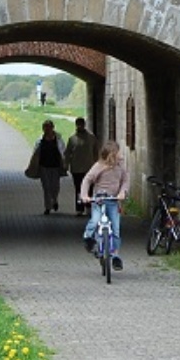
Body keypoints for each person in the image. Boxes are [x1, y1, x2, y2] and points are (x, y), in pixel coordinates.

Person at [80, 139, 129, 272]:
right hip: (99, 201)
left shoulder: (121, 166)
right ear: (111, 154)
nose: (120, 155)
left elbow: (125, 180)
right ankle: (88, 238)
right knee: (95, 220)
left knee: (116, 229)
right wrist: (85, 195)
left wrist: (122, 192)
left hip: (113, 201)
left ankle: (115, 256)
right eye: (117, 153)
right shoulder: (98, 166)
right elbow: (87, 180)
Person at [64, 116, 99, 216]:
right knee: (79, 189)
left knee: (89, 188)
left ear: (84, 125)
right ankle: (79, 208)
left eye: (81, 124)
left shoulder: (91, 138)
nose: (80, 126)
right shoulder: (72, 139)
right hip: (76, 168)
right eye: (78, 124)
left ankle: (88, 206)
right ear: (76, 125)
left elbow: (96, 151)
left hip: (89, 167)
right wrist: (66, 164)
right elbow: (67, 153)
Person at [33, 119, 66, 215]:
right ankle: (47, 207)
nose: (47, 129)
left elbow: (63, 151)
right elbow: (35, 153)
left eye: (49, 127)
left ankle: (54, 200)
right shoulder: (40, 140)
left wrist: (64, 163)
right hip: (44, 166)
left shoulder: (58, 139)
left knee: (55, 187)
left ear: (52, 128)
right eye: (45, 127)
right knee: (46, 187)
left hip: (55, 166)